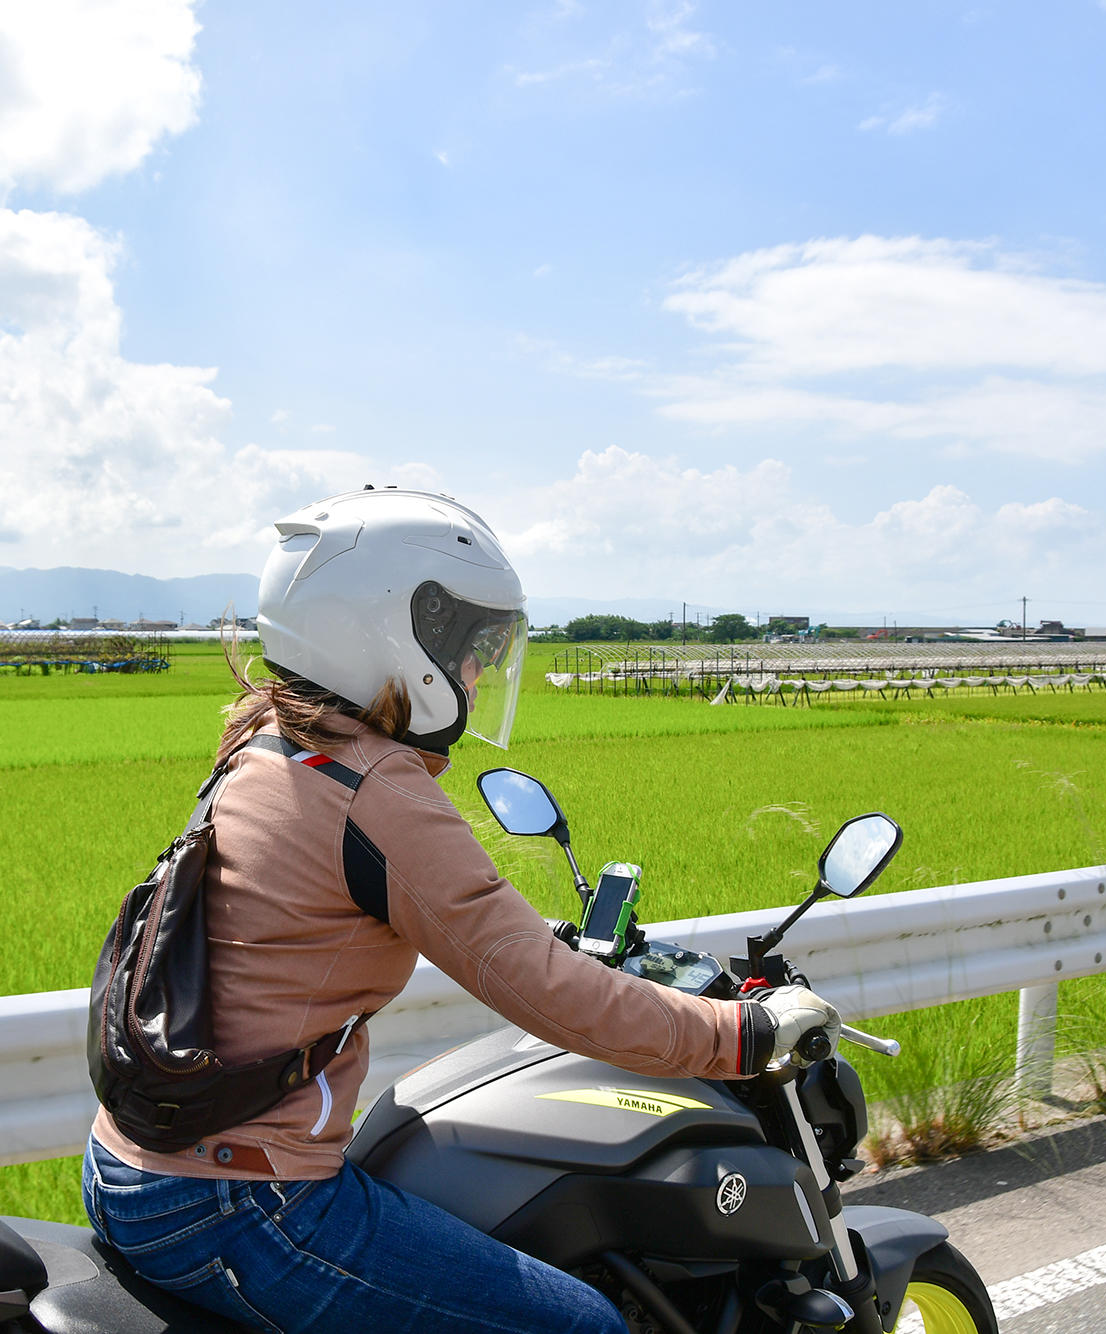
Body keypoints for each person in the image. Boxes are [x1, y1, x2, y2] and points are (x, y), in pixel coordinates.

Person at [82, 487, 838, 1334]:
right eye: (464, 646)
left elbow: (436, 915)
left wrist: (541, 937)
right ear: (389, 635)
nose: (476, 673)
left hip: (132, 1168)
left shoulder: (272, 741)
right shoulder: (372, 791)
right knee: (583, 1327)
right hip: (242, 1204)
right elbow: (547, 993)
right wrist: (742, 1035)